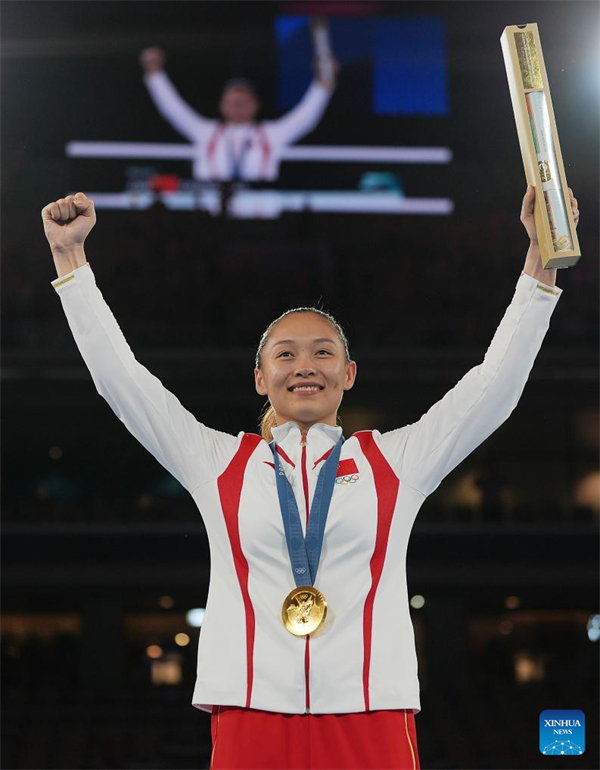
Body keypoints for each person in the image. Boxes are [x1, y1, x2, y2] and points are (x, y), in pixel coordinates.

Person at [41, 185, 579, 769]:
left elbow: (491, 391)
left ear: (348, 374)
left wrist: (539, 266)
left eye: (322, 353)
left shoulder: (396, 463)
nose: (304, 366)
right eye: (285, 354)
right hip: (251, 710)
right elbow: (124, 383)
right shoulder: (217, 463)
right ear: (259, 378)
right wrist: (72, 262)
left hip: (371, 710)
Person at [139, 30, 338, 182]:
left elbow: (306, 117)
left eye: (243, 101)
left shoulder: (271, 134)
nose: (238, 106)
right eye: (232, 102)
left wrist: (323, 84)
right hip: (209, 212)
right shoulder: (205, 132)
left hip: (260, 212)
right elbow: (173, 109)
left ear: (256, 106)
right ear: (221, 106)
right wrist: (155, 74)